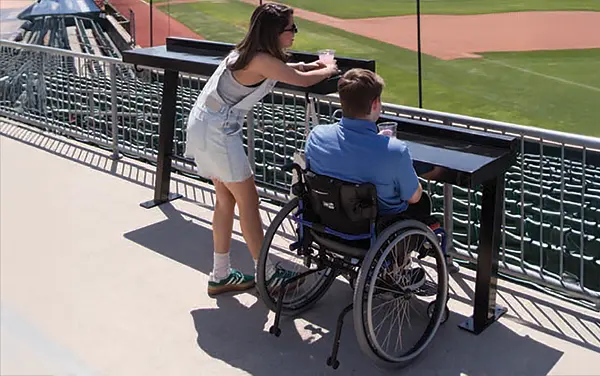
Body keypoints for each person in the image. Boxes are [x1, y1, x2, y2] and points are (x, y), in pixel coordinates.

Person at [185, 2, 340, 296]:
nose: (294, 33)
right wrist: (329, 68)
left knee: (225, 201)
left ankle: (220, 274)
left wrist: (311, 66)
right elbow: (299, 79)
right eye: (290, 28)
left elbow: (285, 70)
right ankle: (266, 273)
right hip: (219, 133)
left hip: (207, 125)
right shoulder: (260, 59)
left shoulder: (250, 55)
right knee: (248, 201)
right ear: (274, 32)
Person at [304, 68, 457, 282]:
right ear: (375, 104)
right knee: (422, 203)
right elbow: (413, 197)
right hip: (375, 233)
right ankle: (396, 271)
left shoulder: (317, 135)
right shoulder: (394, 151)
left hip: (327, 222)